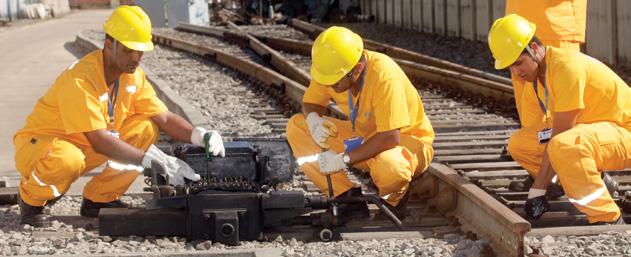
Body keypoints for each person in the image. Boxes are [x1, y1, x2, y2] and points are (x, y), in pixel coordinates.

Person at [13, 6, 225, 227]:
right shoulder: (81, 80)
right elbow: (99, 140)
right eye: (128, 50)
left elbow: (163, 117)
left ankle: (99, 199)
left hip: (83, 146)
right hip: (41, 147)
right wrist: (147, 160)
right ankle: (31, 200)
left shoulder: (133, 77)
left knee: (146, 129)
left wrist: (198, 135)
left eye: (140, 52)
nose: (135, 58)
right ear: (108, 45)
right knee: (67, 159)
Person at [488, 14, 630, 224]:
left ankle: (606, 218)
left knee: (564, 145)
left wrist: (538, 188)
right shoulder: (536, 78)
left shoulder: (566, 67)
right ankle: (588, 181)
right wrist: (544, 181)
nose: (516, 72)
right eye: (510, 67)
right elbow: (542, 133)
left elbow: (561, 133)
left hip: (624, 131)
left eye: (518, 63)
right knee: (520, 144)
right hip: (597, 132)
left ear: (535, 49)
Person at [285, 26, 434, 218]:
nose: (329, 85)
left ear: (358, 68)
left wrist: (342, 160)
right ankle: (345, 197)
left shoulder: (384, 75)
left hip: (405, 141)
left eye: (335, 81)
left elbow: (390, 137)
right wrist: (314, 121)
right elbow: (312, 102)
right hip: (364, 137)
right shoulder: (333, 68)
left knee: (390, 167)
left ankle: (392, 201)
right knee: (297, 126)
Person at [503, 0, 588, 192]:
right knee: (531, 116)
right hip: (517, 28)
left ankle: (586, 172)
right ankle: (542, 175)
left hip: (555, 23)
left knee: (565, 113)